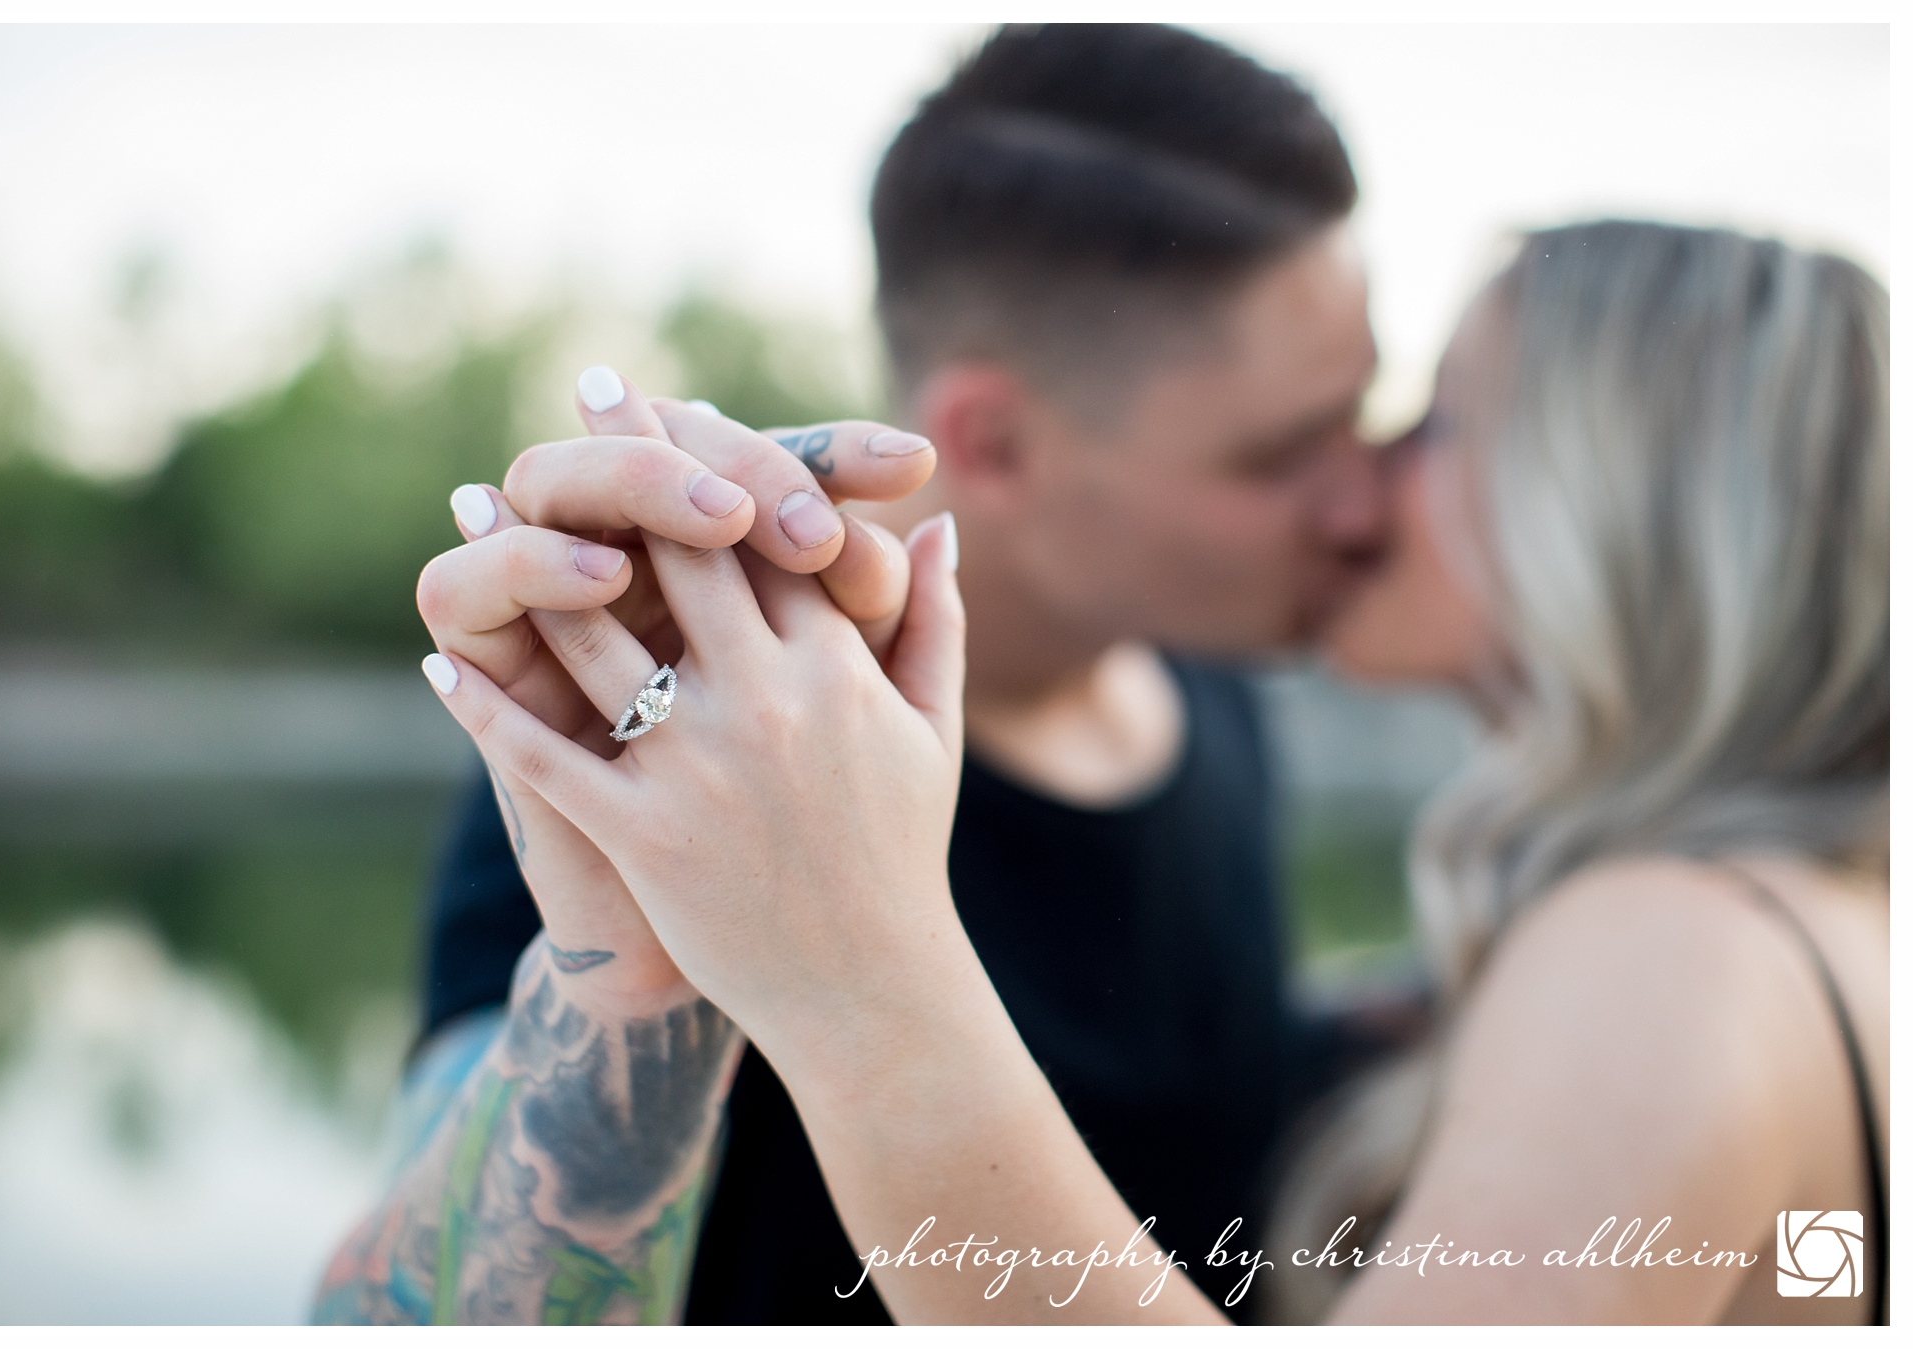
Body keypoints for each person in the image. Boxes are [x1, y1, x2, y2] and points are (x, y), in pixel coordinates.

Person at [412, 219, 1887, 1324]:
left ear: (1617, 499)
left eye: (1434, 421)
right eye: (1292, 444)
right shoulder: (1776, 917)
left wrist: (856, 970)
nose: (1358, 484)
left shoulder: (1669, 950)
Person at [314, 23, 1397, 1326]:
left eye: (1365, 416)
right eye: (1282, 456)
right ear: (993, 445)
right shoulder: (666, 733)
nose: (1365, 501)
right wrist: (638, 964)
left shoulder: (1210, 687)